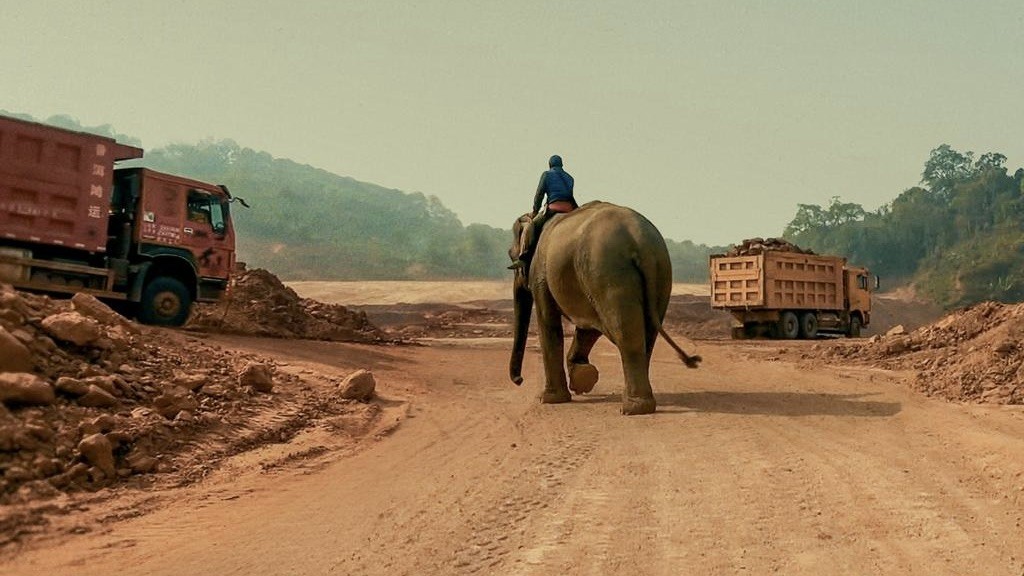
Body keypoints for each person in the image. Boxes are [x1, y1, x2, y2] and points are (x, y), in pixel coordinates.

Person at [509, 154, 578, 269]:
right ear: (562, 165)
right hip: (569, 210)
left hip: (554, 208)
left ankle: (524, 257)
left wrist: (535, 211)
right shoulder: (570, 178)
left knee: (531, 227)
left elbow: (539, 194)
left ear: (550, 165)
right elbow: (569, 195)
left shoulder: (546, 175)